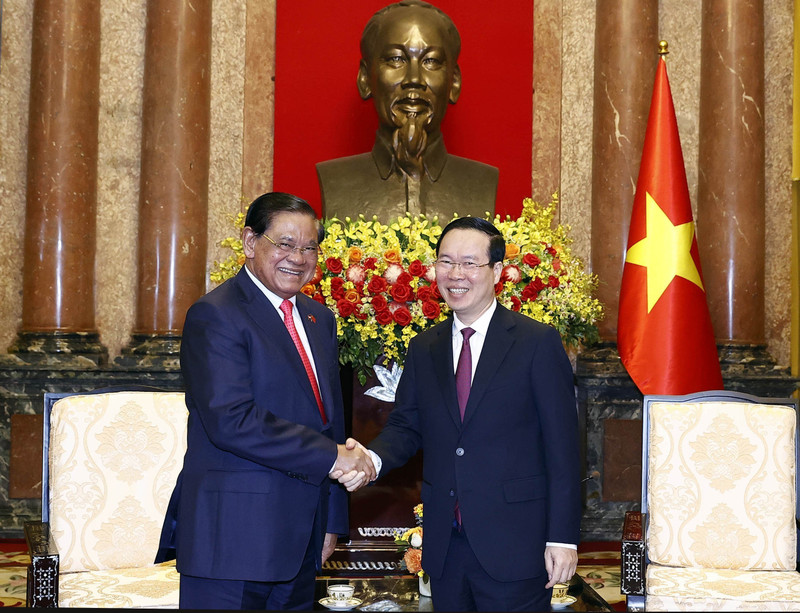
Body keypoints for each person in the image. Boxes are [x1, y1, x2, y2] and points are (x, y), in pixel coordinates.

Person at [347, 217, 581, 611]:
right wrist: (370, 459)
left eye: (470, 263)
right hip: (446, 547)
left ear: (497, 271)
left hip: (516, 545)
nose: (456, 274)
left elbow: (564, 449)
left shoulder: (536, 342)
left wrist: (562, 538)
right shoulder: (424, 347)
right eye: (446, 261)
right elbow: (406, 426)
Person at [158, 192, 376, 610]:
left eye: (309, 247)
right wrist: (333, 456)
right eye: (285, 244)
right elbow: (231, 420)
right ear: (249, 241)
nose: (298, 257)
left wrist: (332, 519)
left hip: (302, 539)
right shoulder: (216, 314)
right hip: (233, 540)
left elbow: (330, 422)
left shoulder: (319, 318)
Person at [316, 0, 498, 222]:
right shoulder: (335, 180)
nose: (414, 79)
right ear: (365, 79)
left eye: (431, 61)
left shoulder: (483, 182)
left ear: (454, 82)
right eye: (396, 59)